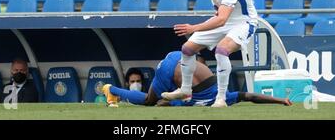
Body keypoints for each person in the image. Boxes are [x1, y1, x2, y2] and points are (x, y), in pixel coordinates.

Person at [145, 0, 259, 108]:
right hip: (223, 19)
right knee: (187, 48)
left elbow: (221, 19)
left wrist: (194, 28)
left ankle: (221, 99)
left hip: (243, 23)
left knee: (221, 50)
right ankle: (185, 90)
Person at [102, 51, 292, 107]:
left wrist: (280, 100)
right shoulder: (214, 99)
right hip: (171, 70)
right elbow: (249, 96)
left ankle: (112, 91)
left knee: (151, 100)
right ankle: (111, 90)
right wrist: (279, 100)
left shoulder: (223, 96)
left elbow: (249, 96)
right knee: (148, 101)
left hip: (180, 57)